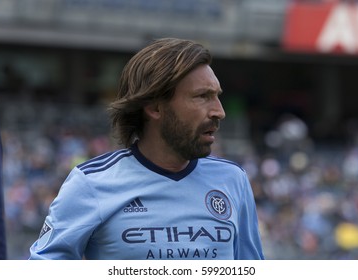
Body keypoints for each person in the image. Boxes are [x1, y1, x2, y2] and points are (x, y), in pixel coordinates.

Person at [29, 38, 265, 260]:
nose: (219, 111)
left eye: (217, 96)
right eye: (202, 96)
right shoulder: (90, 183)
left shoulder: (233, 179)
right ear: (155, 107)